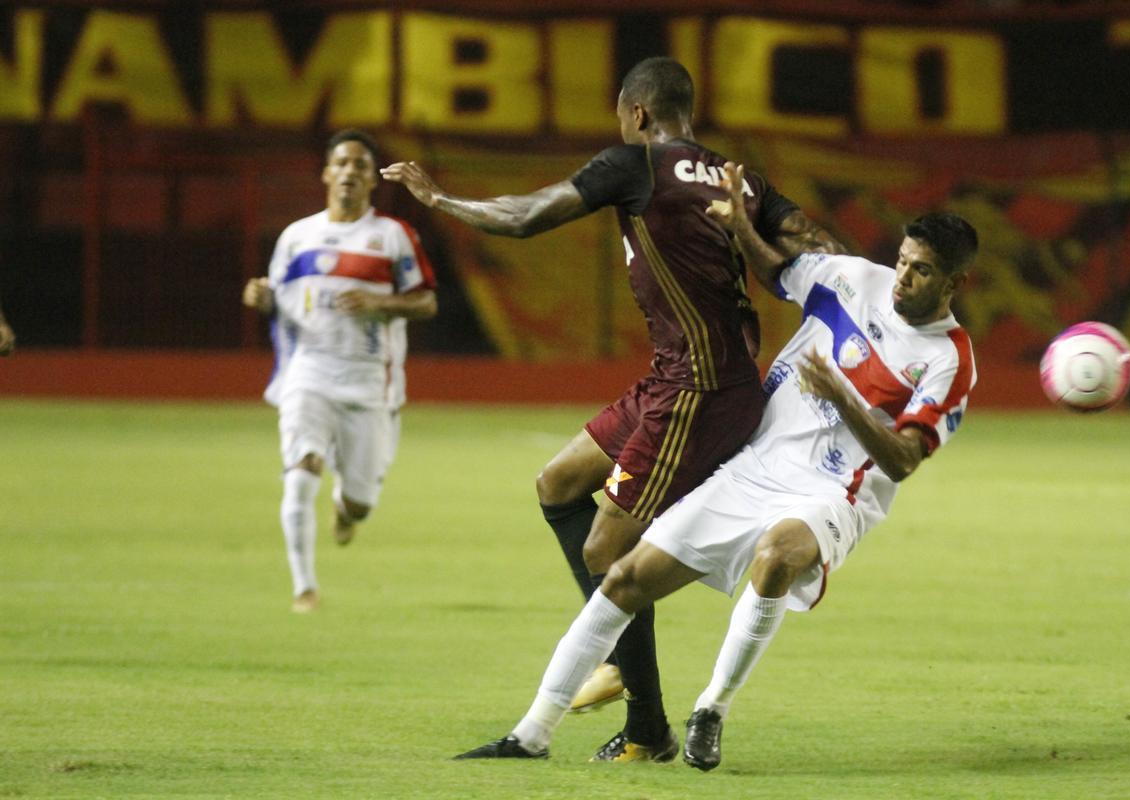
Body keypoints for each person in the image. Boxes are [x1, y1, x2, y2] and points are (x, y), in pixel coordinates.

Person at [382, 57, 843, 761]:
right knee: (559, 483)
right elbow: (816, 243)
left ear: (636, 114)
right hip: (678, 379)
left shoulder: (637, 165)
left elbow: (527, 215)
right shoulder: (737, 177)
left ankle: (646, 723)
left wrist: (440, 199)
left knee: (607, 549)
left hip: (697, 390)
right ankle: (626, 675)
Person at [453, 163, 978, 770]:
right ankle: (530, 736)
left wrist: (843, 401)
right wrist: (739, 226)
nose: (903, 278)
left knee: (777, 555)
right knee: (622, 581)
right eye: (905, 260)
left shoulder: (949, 361)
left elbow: (905, 459)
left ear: (955, 283)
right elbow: (781, 274)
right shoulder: (855, 278)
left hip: (835, 492)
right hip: (752, 467)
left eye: (923, 271)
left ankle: (711, 708)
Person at [242, 129, 438, 613]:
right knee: (302, 470)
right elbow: (280, 301)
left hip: (370, 382)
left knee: (360, 502)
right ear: (327, 173)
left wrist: (380, 301)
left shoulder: (392, 237)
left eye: (361, 166)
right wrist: (263, 299)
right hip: (308, 371)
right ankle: (304, 588)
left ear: (373, 180)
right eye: (342, 163)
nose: (350, 171)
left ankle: (347, 510)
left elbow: (427, 302)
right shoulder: (296, 237)